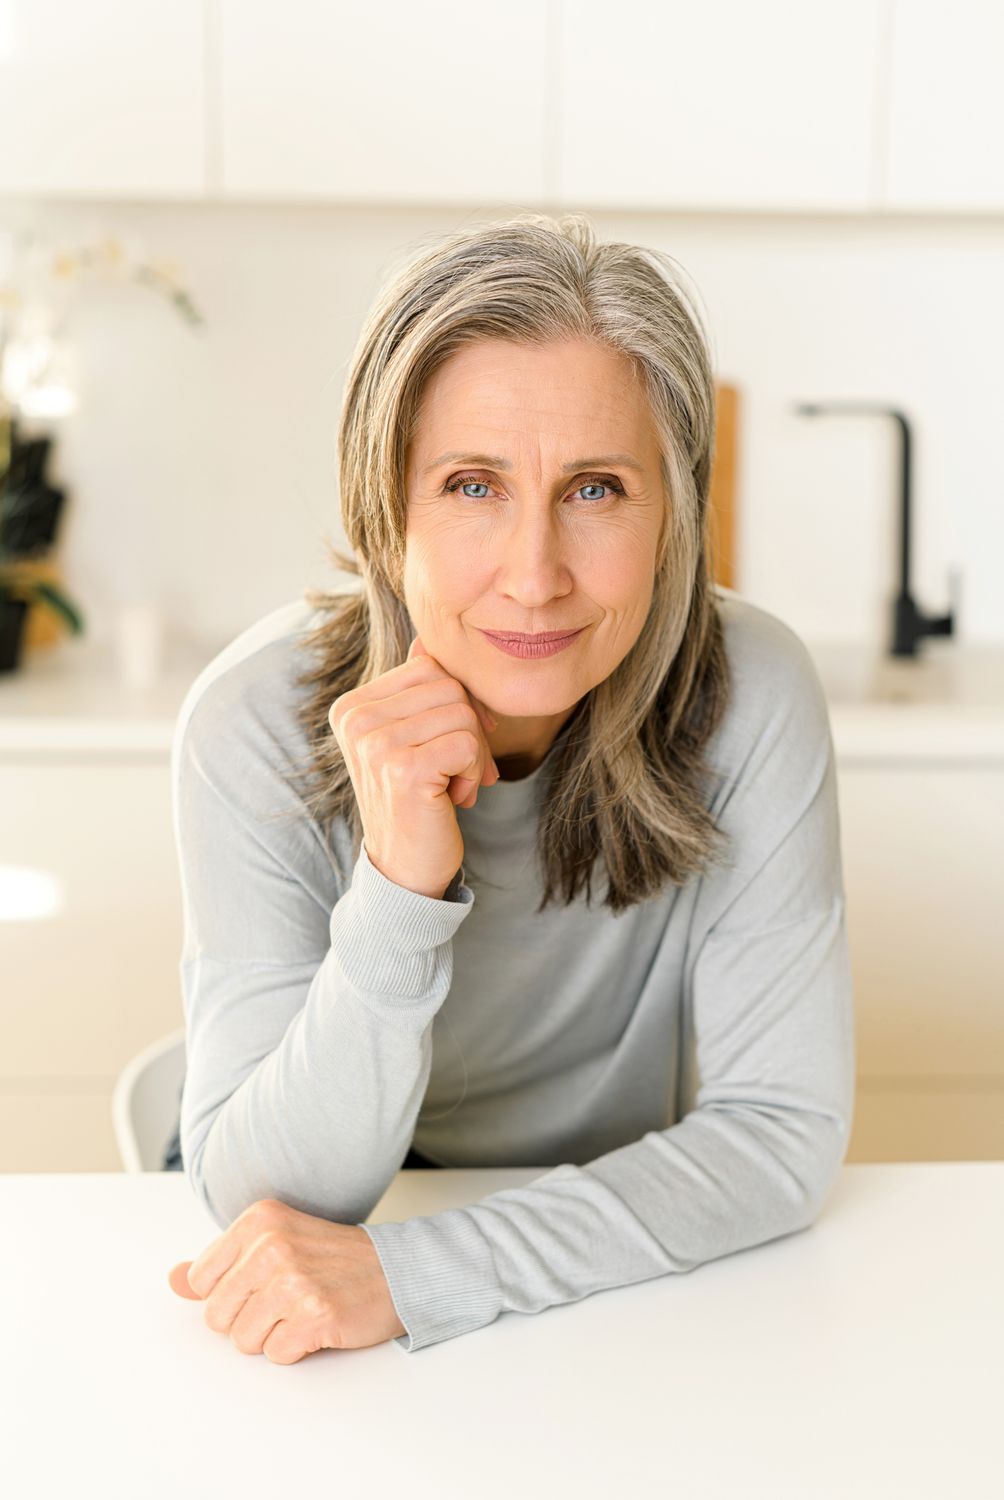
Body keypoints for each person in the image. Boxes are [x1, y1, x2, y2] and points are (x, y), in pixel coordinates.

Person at [168, 211, 854, 1354]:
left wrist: (421, 1273)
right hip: (339, 1300)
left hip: (593, 1289)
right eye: (472, 485)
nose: (534, 578)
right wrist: (395, 889)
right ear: (385, 510)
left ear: (672, 514)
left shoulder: (753, 693)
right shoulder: (252, 724)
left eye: (594, 490)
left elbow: (777, 1133)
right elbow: (268, 1208)